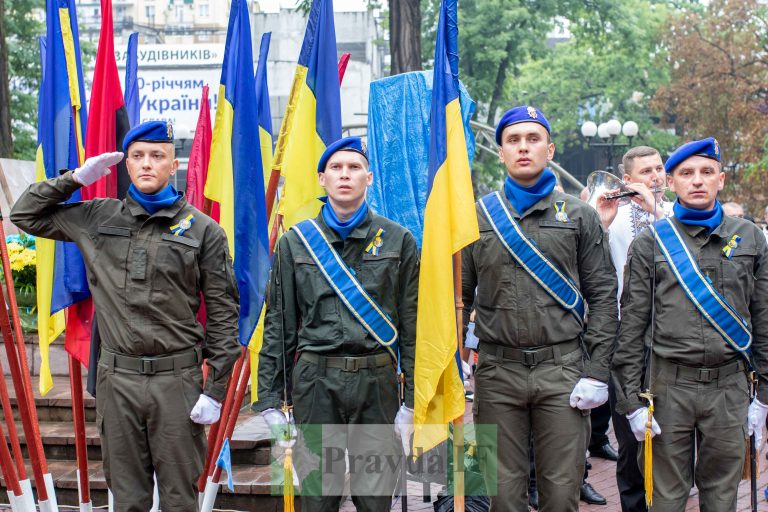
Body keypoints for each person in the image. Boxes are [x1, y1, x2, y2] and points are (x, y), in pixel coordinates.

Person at [10, 120, 241, 511]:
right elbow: (25, 214)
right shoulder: (99, 217)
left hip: (176, 382)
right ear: (126, 166)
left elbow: (223, 314)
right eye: (137, 156)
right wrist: (75, 179)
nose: (147, 164)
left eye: (157, 156)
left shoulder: (203, 231)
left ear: (173, 165)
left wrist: (215, 389)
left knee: (179, 498)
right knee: (126, 497)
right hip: (118, 382)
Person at [463, 106, 618, 511]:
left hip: (562, 371)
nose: (524, 147)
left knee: (561, 492)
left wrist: (597, 372)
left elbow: (603, 295)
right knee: (502, 495)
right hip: (497, 372)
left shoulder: (580, 216)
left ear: (549, 149)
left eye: (533, 139)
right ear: (500, 152)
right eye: (513, 141)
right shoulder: (474, 218)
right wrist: (451, 363)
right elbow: (457, 298)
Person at [252, 136, 419, 512]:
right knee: (317, 496)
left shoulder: (398, 240)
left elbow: (412, 325)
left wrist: (412, 402)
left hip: (377, 384)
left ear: (369, 178)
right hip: (315, 385)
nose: (345, 175)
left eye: (354, 167)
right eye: (336, 168)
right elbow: (279, 325)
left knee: (376, 497)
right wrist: (270, 401)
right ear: (322, 179)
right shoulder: (295, 244)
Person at [613, 137, 768, 511]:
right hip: (668, 389)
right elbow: (632, 327)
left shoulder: (749, 237)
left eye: (706, 172)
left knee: (721, 498)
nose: (697, 180)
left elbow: (763, 319)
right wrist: (631, 403)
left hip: (729, 388)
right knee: (666, 499)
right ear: (670, 182)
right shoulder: (651, 244)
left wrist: (763, 396)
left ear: (721, 179)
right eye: (686, 173)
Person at [594, 146, 672, 511]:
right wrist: (602, 223)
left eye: (659, 168)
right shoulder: (613, 218)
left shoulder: (674, 215)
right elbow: (592, 270)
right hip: (627, 343)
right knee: (629, 438)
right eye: (646, 172)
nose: (655, 177)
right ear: (627, 180)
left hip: (674, 343)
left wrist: (656, 210)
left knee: (672, 437)